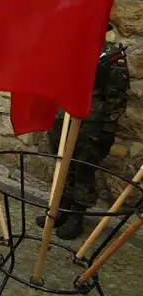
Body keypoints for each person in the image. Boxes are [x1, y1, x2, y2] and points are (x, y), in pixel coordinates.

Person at [35, 27, 130, 240]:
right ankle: (62, 210)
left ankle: (76, 217)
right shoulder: (72, 50)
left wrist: (105, 129)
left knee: (83, 170)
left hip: (91, 124)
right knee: (63, 166)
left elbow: (117, 98)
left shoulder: (111, 56)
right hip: (64, 118)